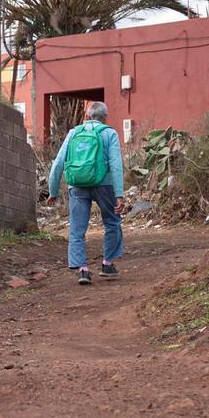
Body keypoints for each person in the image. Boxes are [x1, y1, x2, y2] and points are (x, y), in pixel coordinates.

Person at [45, 102, 126, 285]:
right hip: (104, 185)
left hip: (77, 185)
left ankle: (82, 269)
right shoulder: (109, 133)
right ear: (105, 118)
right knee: (112, 222)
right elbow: (115, 164)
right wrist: (119, 194)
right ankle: (107, 264)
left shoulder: (74, 133)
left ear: (87, 117)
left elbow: (58, 163)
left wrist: (53, 191)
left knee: (77, 228)